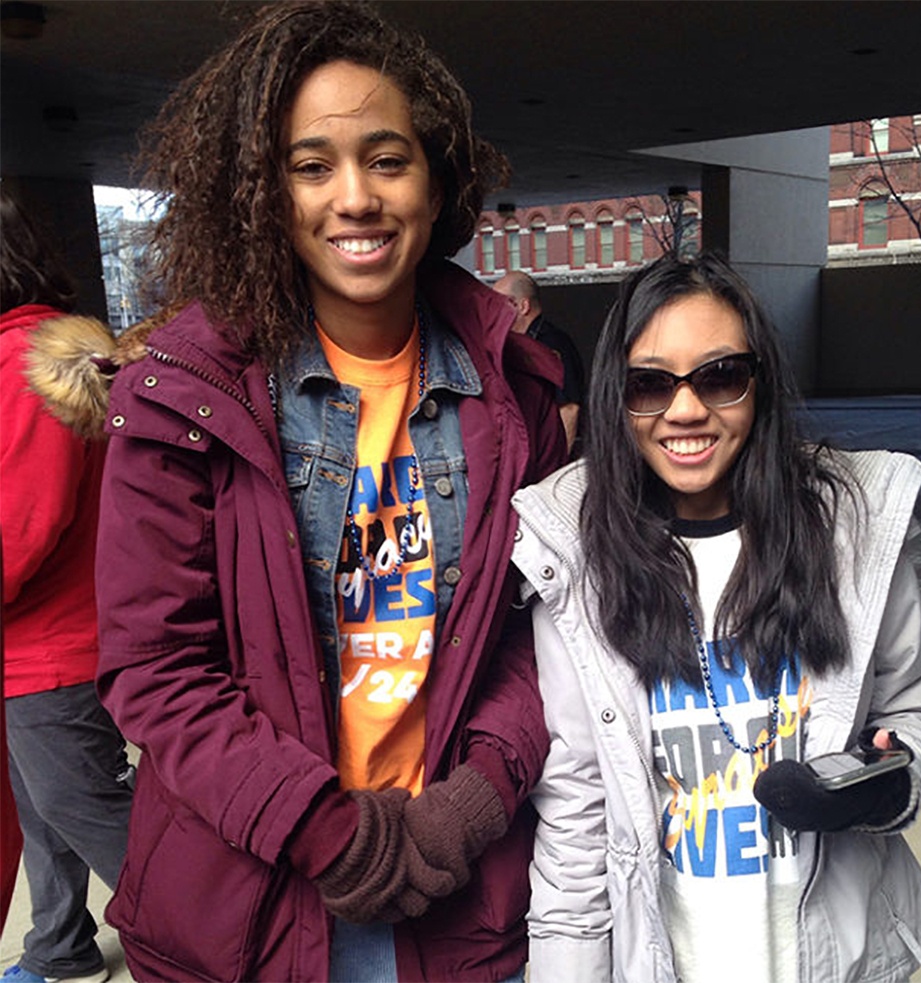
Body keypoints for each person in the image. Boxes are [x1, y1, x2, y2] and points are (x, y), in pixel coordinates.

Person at [91, 2, 566, 981]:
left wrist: (474, 799)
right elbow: (157, 668)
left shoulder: (516, 394)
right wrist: (324, 830)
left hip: (457, 889)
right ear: (263, 193)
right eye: (311, 166)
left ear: (436, 181)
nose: (355, 197)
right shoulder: (183, 397)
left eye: (387, 159)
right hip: (255, 905)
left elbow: (543, 632)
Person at [510, 253, 921, 982]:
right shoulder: (576, 556)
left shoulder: (852, 529)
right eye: (651, 384)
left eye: (719, 376)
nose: (685, 410)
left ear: (760, 382)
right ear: (617, 397)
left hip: (835, 959)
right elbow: (576, 817)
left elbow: (913, 707)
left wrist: (888, 778)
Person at [1, 190, 133, 983]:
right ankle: (59, 945)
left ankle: (210, 942)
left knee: (86, 806)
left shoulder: (28, 365)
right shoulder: (36, 352)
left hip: (52, 647)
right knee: (45, 807)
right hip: (45, 640)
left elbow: (19, 526)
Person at [493, 271, 586, 456]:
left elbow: (569, 409)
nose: (494, 313)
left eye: (499, 305)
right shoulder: (523, 344)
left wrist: (558, 466)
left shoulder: (551, 344)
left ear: (523, 306)